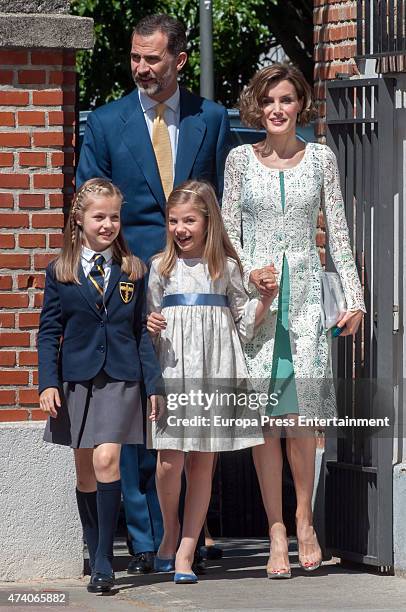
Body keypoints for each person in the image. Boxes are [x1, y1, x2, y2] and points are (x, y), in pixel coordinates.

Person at [76, 13, 230, 573]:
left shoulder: (210, 118)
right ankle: (145, 541)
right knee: (132, 411)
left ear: (180, 60)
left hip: (195, 293)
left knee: (186, 413)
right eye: (135, 58)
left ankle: (182, 536)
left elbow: (221, 206)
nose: (141, 67)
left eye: (152, 59)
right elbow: (89, 204)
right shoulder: (108, 121)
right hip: (128, 285)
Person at [222, 63, 366, 579]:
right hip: (260, 303)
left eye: (285, 99)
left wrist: (354, 297)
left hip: (304, 297)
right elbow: (229, 235)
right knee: (266, 423)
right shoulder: (239, 160)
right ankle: (276, 531)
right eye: (268, 101)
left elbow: (340, 235)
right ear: (256, 108)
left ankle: (305, 519)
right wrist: (248, 278)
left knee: (302, 419)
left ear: (300, 103)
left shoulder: (322, 159)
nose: (277, 110)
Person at [146, 179, 278, 583]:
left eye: (189, 220)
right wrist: (150, 326)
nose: (180, 229)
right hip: (173, 370)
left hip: (214, 370)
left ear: (208, 222)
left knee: (203, 463)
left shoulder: (226, 267)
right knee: (170, 460)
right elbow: (149, 321)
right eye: (173, 221)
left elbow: (242, 323)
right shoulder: (159, 267)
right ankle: (170, 530)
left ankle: (186, 551)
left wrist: (266, 301)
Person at [38, 178, 162, 593]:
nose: (108, 224)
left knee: (109, 460)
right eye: (99, 216)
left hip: (122, 378)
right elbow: (48, 331)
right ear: (80, 219)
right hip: (76, 380)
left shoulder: (134, 269)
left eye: (114, 216)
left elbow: (141, 333)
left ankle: (106, 559)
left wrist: (154, 385)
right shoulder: (61, 272)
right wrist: (48, 382)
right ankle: (93, 548)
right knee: (86, 471)